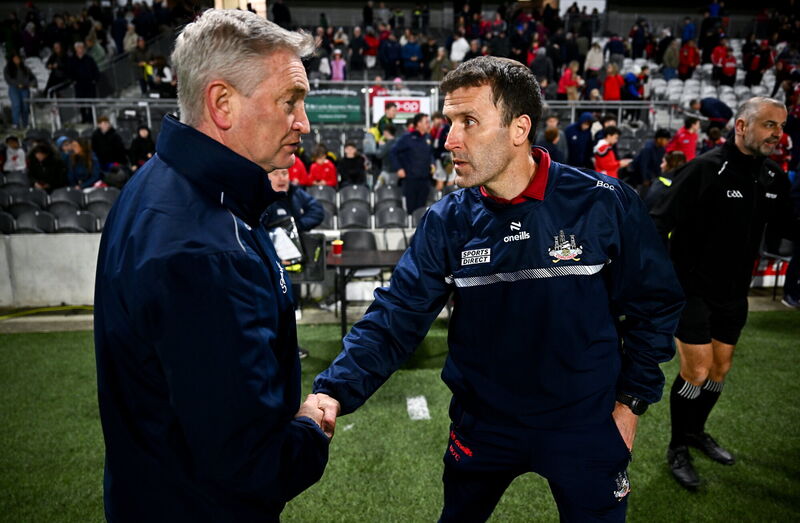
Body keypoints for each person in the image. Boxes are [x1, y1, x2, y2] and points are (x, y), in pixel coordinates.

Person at [311, 56, 684, 522]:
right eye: (449, 122)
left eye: (469, 121)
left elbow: (656, 304)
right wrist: (333, 390)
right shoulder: (447, 221)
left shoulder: (602, 202)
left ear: (519, 128)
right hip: (482, 424)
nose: (449, 140)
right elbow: (396, 318)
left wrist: (630, 403)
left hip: (584, 422)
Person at [93, 10, 330, 521]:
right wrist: (308, 429)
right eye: (290, 101)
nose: (303, 123)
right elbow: (246, 461)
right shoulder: (204, 248)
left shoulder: (157, 187)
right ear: (222, 103)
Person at [651, 97, 792, 491]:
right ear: (742, 126)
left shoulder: (772, 178)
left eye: (780, 127)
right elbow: (657, 223)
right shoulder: (705, 170)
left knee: (719, 370)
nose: (777, 135)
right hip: (691, 291)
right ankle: (677, 446)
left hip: (734, 294)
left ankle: (696, 431)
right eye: (769, 125)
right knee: (695, 370)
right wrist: (663, 281)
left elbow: (787, 228)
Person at [261, 166, 325, 355]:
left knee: (288, 306)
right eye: (276, 173)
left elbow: (317, 211)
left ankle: (290, 348)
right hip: (268, 264)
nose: (282, 178)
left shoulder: (296, 193)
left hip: (293, 262)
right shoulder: (260, 198)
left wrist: (296, 227)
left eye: (285, 173)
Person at [391, 112, 434, 213]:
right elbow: (393, 152)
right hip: (410, 179)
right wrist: (398, 168)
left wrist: (432, 163)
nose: (428, 124)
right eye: (426, 122)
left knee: (422, 209)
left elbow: (431, 153)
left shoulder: (428, 138)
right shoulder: (407, 138)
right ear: (418, 124)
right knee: (411, 208)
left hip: (425, 179)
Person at [4, 53, 37, 129]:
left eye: (18, 59)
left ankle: (26, 123)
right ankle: (15, 123)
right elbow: (8, 79)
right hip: (14, 89)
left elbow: (33, 78)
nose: (17, 60)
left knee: (25, 106)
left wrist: (29, 84)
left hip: (25, 89)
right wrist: (17, 84)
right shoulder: (8, 69)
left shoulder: (25, 69)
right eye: (15, 59)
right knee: (16, 105)